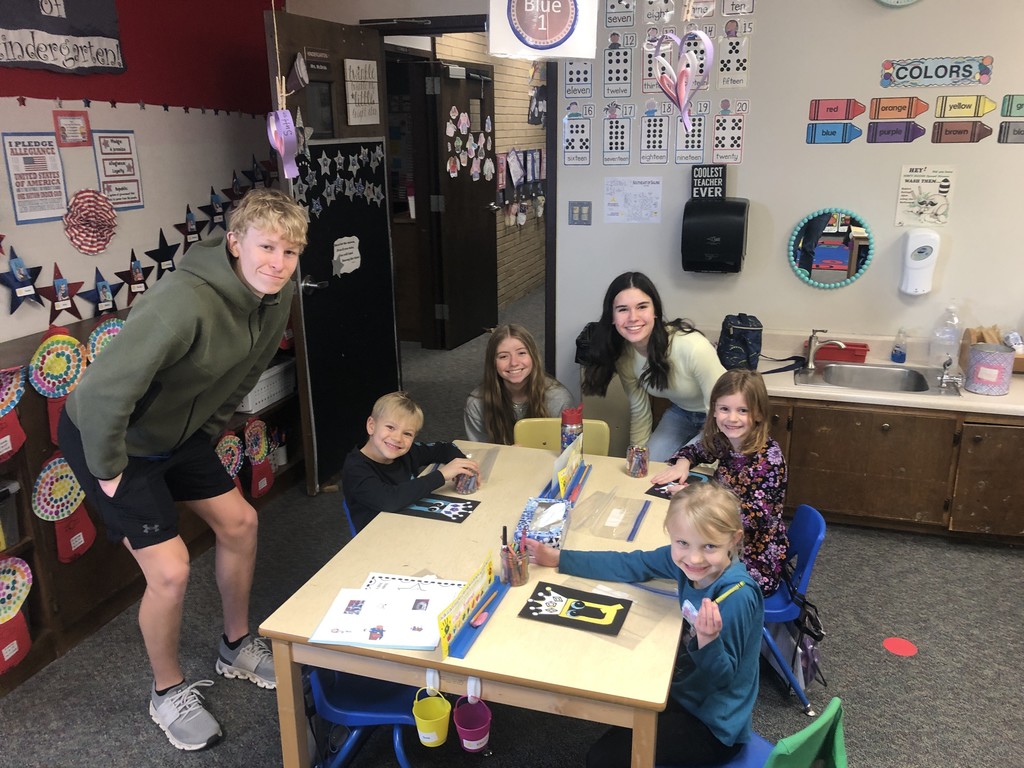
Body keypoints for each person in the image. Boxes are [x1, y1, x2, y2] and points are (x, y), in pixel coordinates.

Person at [58, 188, 307, 751]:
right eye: (267, 246)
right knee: (169, 572)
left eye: (290, 252)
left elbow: (246, 372)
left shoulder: (276, 291)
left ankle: (236, 644)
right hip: (111, 435)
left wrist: (208, 431)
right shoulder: (183, 302)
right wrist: (109, 469)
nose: (278, 262)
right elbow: (101, 395)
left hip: (178, 434)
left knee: (241, 523)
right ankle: (166, 691)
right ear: (236, 242)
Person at [524, 482, 764, 767]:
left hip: (714, 726)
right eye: (682, 543)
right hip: (685, 689)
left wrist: (708, 640)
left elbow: (722, 680)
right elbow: (632, 564)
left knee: (601, 759)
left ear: (734, 540)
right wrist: (561, 559)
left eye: (710, 546)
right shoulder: (685, 562)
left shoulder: (735, 597)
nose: (695, 558)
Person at [651, 369, 789, 595]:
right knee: (674, 553)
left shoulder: (768, 460)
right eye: (724, 409)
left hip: (752, 556)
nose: (732, 418)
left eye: (742, 411)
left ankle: (696, 623)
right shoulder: (726, 440)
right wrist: (683, 462)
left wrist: (698, 502)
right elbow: (698, 449)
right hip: (718, 538)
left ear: (758, 414)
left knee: (679, 567)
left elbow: (754, 520)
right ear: (714, 410)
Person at [581, 272, 725, 461]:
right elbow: (640, 410)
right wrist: (637, 457)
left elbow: (722, 414)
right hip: (682, 413)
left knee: (688, 472)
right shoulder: (625, 357)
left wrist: (688, 459)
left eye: (642, 307)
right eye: (623, 309)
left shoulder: (692, 346)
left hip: (720, 418)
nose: (633, 317)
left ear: (655, 311)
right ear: (612, 317)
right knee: (648, 466)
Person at [343, 391, 480, 532]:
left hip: (410, 526)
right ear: (371, 426)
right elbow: (390, 500)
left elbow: (445, 448)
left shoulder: (406, 452)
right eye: (390, 427)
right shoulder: (355, 468)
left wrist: (463, 466)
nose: (397, 438)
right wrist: (441, 475)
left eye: (407, 433)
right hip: (377, 539)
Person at [464, 324, 575, 445]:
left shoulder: (558, 398)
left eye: (521, 353)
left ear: (533, 357)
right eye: (503, 356)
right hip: (500, 462)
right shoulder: (477, 403)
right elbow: (481, 453)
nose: (514, 363)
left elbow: (567, 451)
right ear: (492, 363)